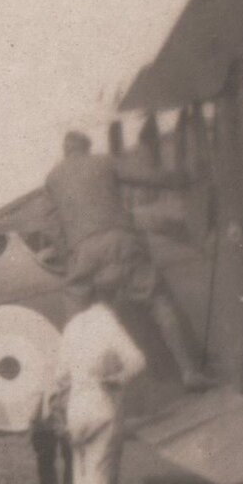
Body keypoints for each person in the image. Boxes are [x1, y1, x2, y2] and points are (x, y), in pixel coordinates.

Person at [42, 130, 209, 390]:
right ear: (86, 147)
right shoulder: (103, 162)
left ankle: (79, 391)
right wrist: (184, 177)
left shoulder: (52, 179)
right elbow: (148, 178)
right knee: (158, 300)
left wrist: (71, 259)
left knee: (77, 322)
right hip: (121, 243)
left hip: (83, 254)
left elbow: (53, 227)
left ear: (66, 151)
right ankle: (189, 372)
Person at [53, 301, 147, 484]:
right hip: (102, 405)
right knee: (100, 479)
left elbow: (60, 376)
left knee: (80, 479)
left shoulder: (72, 327)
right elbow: (137, 361)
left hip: (76, 409)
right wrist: (118, 379)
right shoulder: (109, 324)